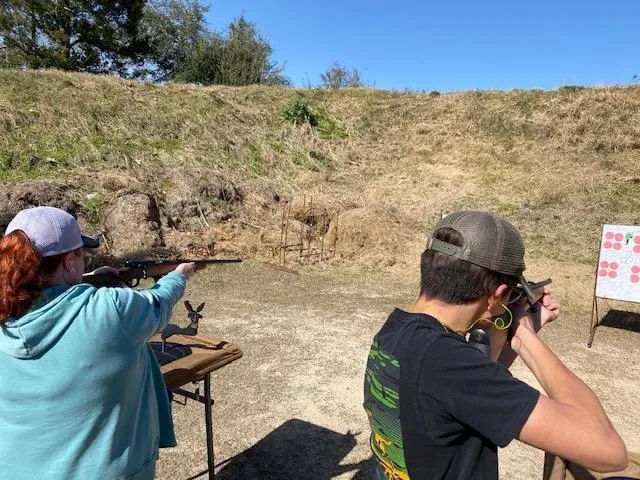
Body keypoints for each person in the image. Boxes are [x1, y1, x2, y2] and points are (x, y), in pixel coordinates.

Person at [363, 210, 629, 480]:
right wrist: (526, 337)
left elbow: (473, 388)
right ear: (498, 295)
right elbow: (608, 451)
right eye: (511, 294)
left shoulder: (395, 334)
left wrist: (510, 326)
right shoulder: (452, 366)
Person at [0, 206, 197, 479]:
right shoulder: (112, 308)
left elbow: (51, 295)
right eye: (82, 255)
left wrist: (89, 280)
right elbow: (158, 301)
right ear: (70, 261)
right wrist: (179, 275)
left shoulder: (6, 308)